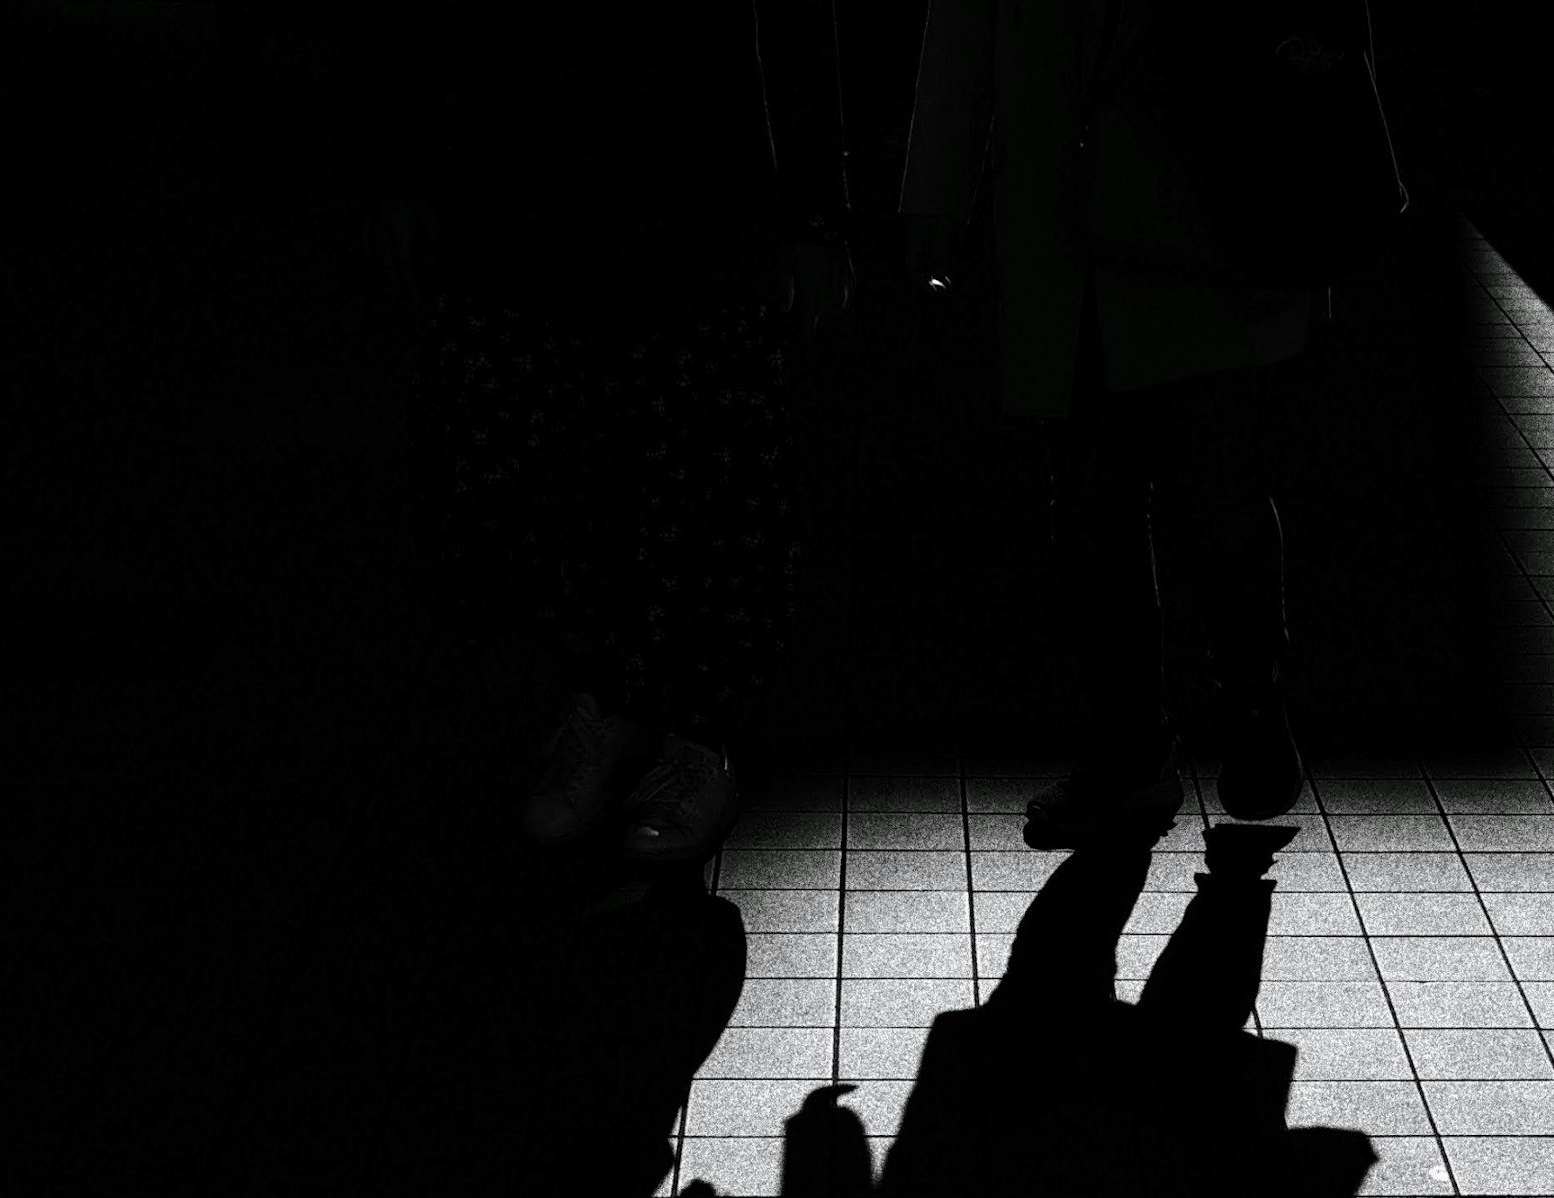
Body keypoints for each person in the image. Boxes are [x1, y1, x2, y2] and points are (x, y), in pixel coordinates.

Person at [901, 0, 1389, 849]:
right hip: (1106, 199)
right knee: (1115, 503)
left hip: (1201, 185)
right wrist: (936, 179)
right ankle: (1178, 731)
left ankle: (1224, 710)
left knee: (1200, 489)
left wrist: (939, 181)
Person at [397, 10, 852, 866]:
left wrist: (814, 214)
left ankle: (688, 728)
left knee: (709, 466)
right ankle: (629, 706)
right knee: (589, 464)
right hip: (559, 189)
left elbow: (796, 34)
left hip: (697, 192)